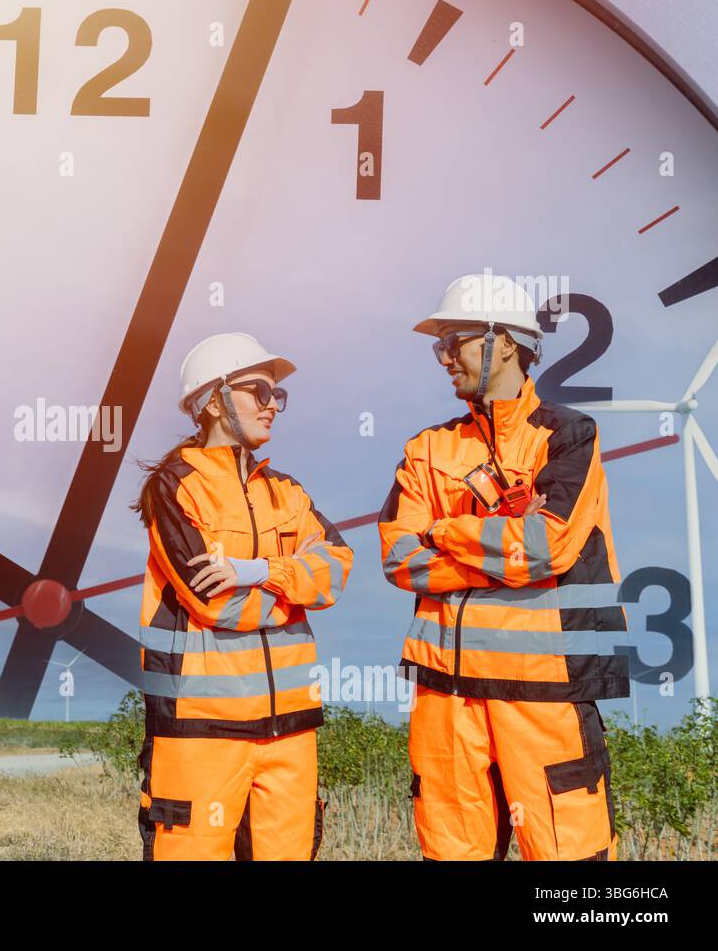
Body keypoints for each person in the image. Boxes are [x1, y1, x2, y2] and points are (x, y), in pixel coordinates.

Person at [378, 272, 629, 861]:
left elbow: (547, 545)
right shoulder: (426, 449)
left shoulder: (568, 434)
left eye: (454, 341)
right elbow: (399, 560)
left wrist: (445, 530)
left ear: (504, 342)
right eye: (438, 345)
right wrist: (499, 549)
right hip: (446, 699)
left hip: (544, 694)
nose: (443, 357)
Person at [132, 332, 352, 860]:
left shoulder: (289, 491)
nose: (273, 405)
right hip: (199, 731)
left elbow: (337, 571)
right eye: (259, 391)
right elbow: (214, 603)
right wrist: (292, 591)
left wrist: (255, 571)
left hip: (290, 731)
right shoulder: (174, 486)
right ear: (212, 400)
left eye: (279, 396)